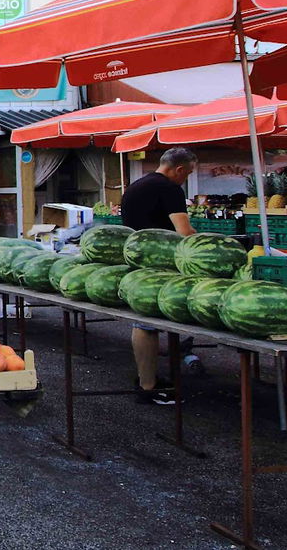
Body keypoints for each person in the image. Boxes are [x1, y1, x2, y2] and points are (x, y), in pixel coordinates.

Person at [120, 147, 198, 405]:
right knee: (147, 324)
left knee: (142, 322)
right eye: (187, 174)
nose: (185, 179)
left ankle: (146, 377)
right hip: (156, 264)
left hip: (136, 260)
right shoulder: (169, 189)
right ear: (179, 169)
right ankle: (149, 387)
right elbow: (184, 232)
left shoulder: (136, 186)